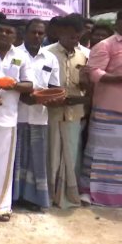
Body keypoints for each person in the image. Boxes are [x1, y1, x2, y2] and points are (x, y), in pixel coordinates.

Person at [0, 19, 34, 221]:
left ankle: (1, 207)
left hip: (8, 117)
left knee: (4, 166)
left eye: (8, 32)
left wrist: (13, 85)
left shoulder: (21, 56)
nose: (3, 34)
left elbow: (29, 85)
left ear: (15, 36)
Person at [12, 19, 60, 211]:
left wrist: (52, 98)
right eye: (34, 32)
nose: (37, 36)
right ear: (25, 33)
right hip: (17, 115)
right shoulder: (14, 54)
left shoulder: (50, 58)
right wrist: (24, 97)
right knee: (17, 157)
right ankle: (14, 198)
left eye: (41, 33)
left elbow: (54, 87)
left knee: (36, 159)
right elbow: (10, 83)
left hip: (40, 116)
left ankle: (34, 199)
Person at [45, 15, 90, 208]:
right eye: (70, 36)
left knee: (71, 154)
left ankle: (67, 195)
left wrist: (84, 86)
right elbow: (42, 82)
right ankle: (49, 195)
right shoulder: (47, 53)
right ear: (60, 33)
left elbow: (87, 87)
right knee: (52, 153)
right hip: (52, 111)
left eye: (77, 36)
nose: (74, 40)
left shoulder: (84, 55)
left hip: (74, 111)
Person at [83, 11, 122, 207]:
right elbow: (93, 72)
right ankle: (94, 193)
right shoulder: (106, 45)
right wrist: (118, 79)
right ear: (119, 22)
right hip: (108, 109)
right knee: (102, 154)